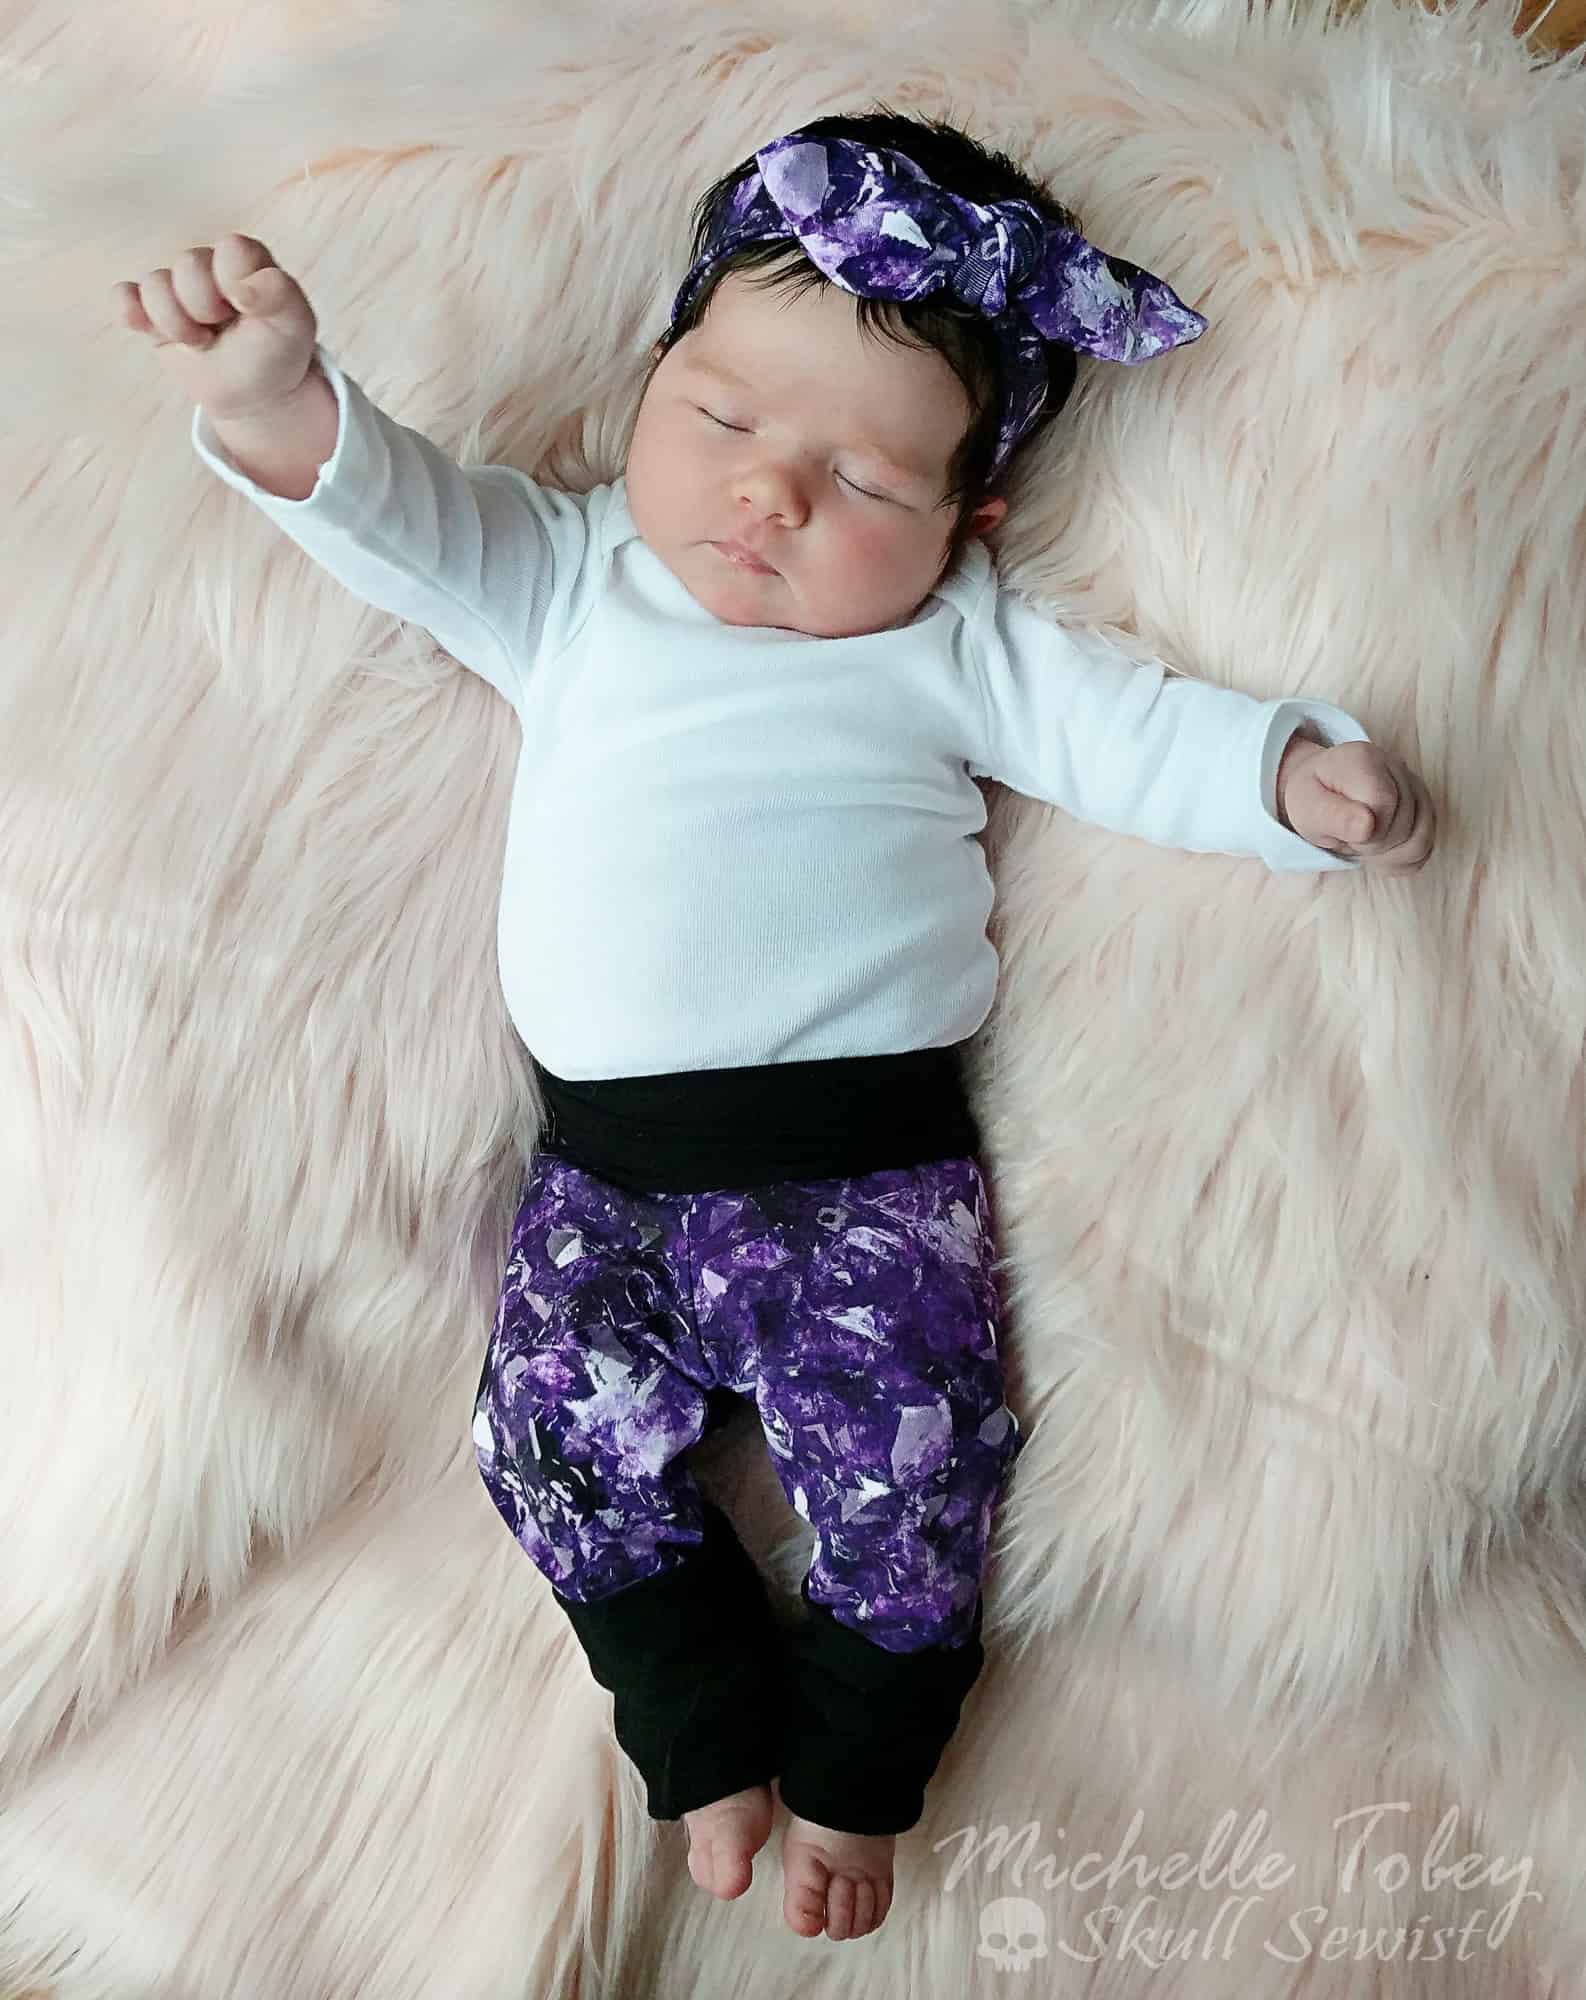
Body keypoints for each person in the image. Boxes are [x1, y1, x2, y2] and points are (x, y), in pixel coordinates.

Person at [113, 105, 1435, 1945]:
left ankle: (858, 1779)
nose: (769, 499)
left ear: (967, 522)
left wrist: (1281, 777)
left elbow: (1122, 727)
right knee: (545, 1449)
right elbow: (393, 519)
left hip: (863, 1188)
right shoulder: (571, 579)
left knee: (918, 1481)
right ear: (651, 385)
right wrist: (277, 400)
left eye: (864, 482)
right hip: (604, 1181)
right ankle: (695, 1724)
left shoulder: (952, 642)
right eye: (722, 419)